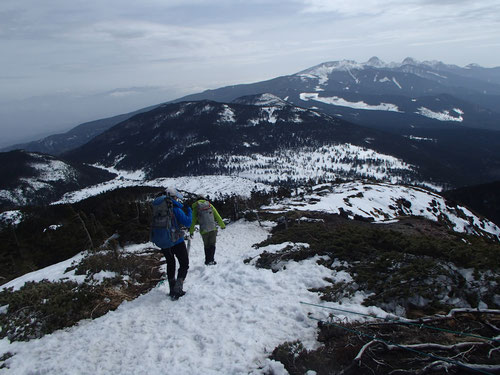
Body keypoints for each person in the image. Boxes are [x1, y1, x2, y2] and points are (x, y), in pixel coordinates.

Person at [151, 187, 192, 300]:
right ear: (173, 197)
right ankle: (178, 289)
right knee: (184, 263)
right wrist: (189, 210)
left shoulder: (159, 208)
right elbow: (188, 222)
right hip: (176, 241)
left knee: (170, 263)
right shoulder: (175, 209)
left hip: (164, 241)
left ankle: (171, 288)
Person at [189, 196, 226, 265]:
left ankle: (207, 260)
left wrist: (191, 231)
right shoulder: (209, 205)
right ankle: (211, 260)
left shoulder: (196, 208)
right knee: (212, 244)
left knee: (206, 245)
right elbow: (217, 216)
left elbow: (193, 221)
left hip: (204, 230)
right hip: (213, 228)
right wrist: (222, 225)